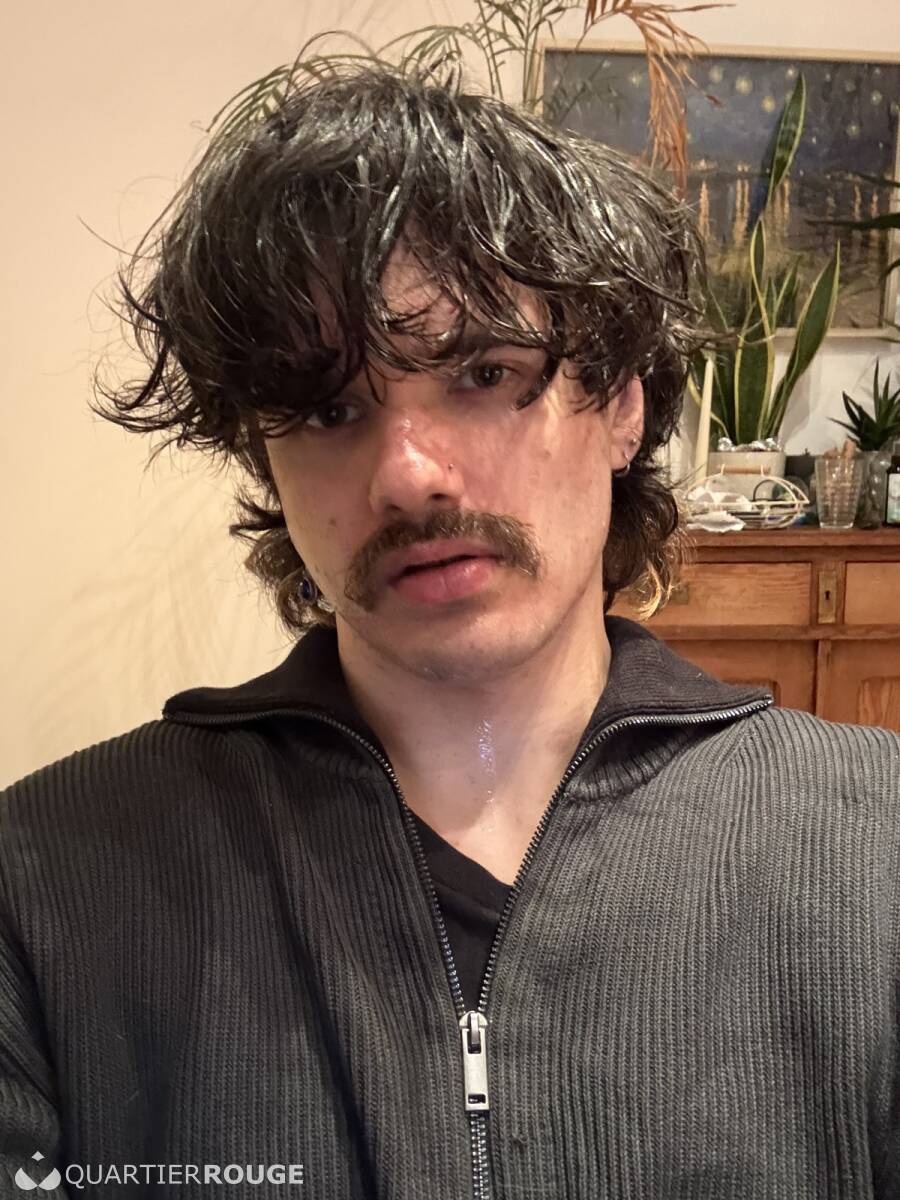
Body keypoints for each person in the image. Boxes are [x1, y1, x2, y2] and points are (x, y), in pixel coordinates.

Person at [2, 61, 898, 1200]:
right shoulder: (45, 880)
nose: (408, 474)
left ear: (622, 407)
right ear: (266, 464)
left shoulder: (874, 850)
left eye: (483, 372)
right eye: (330, 407)